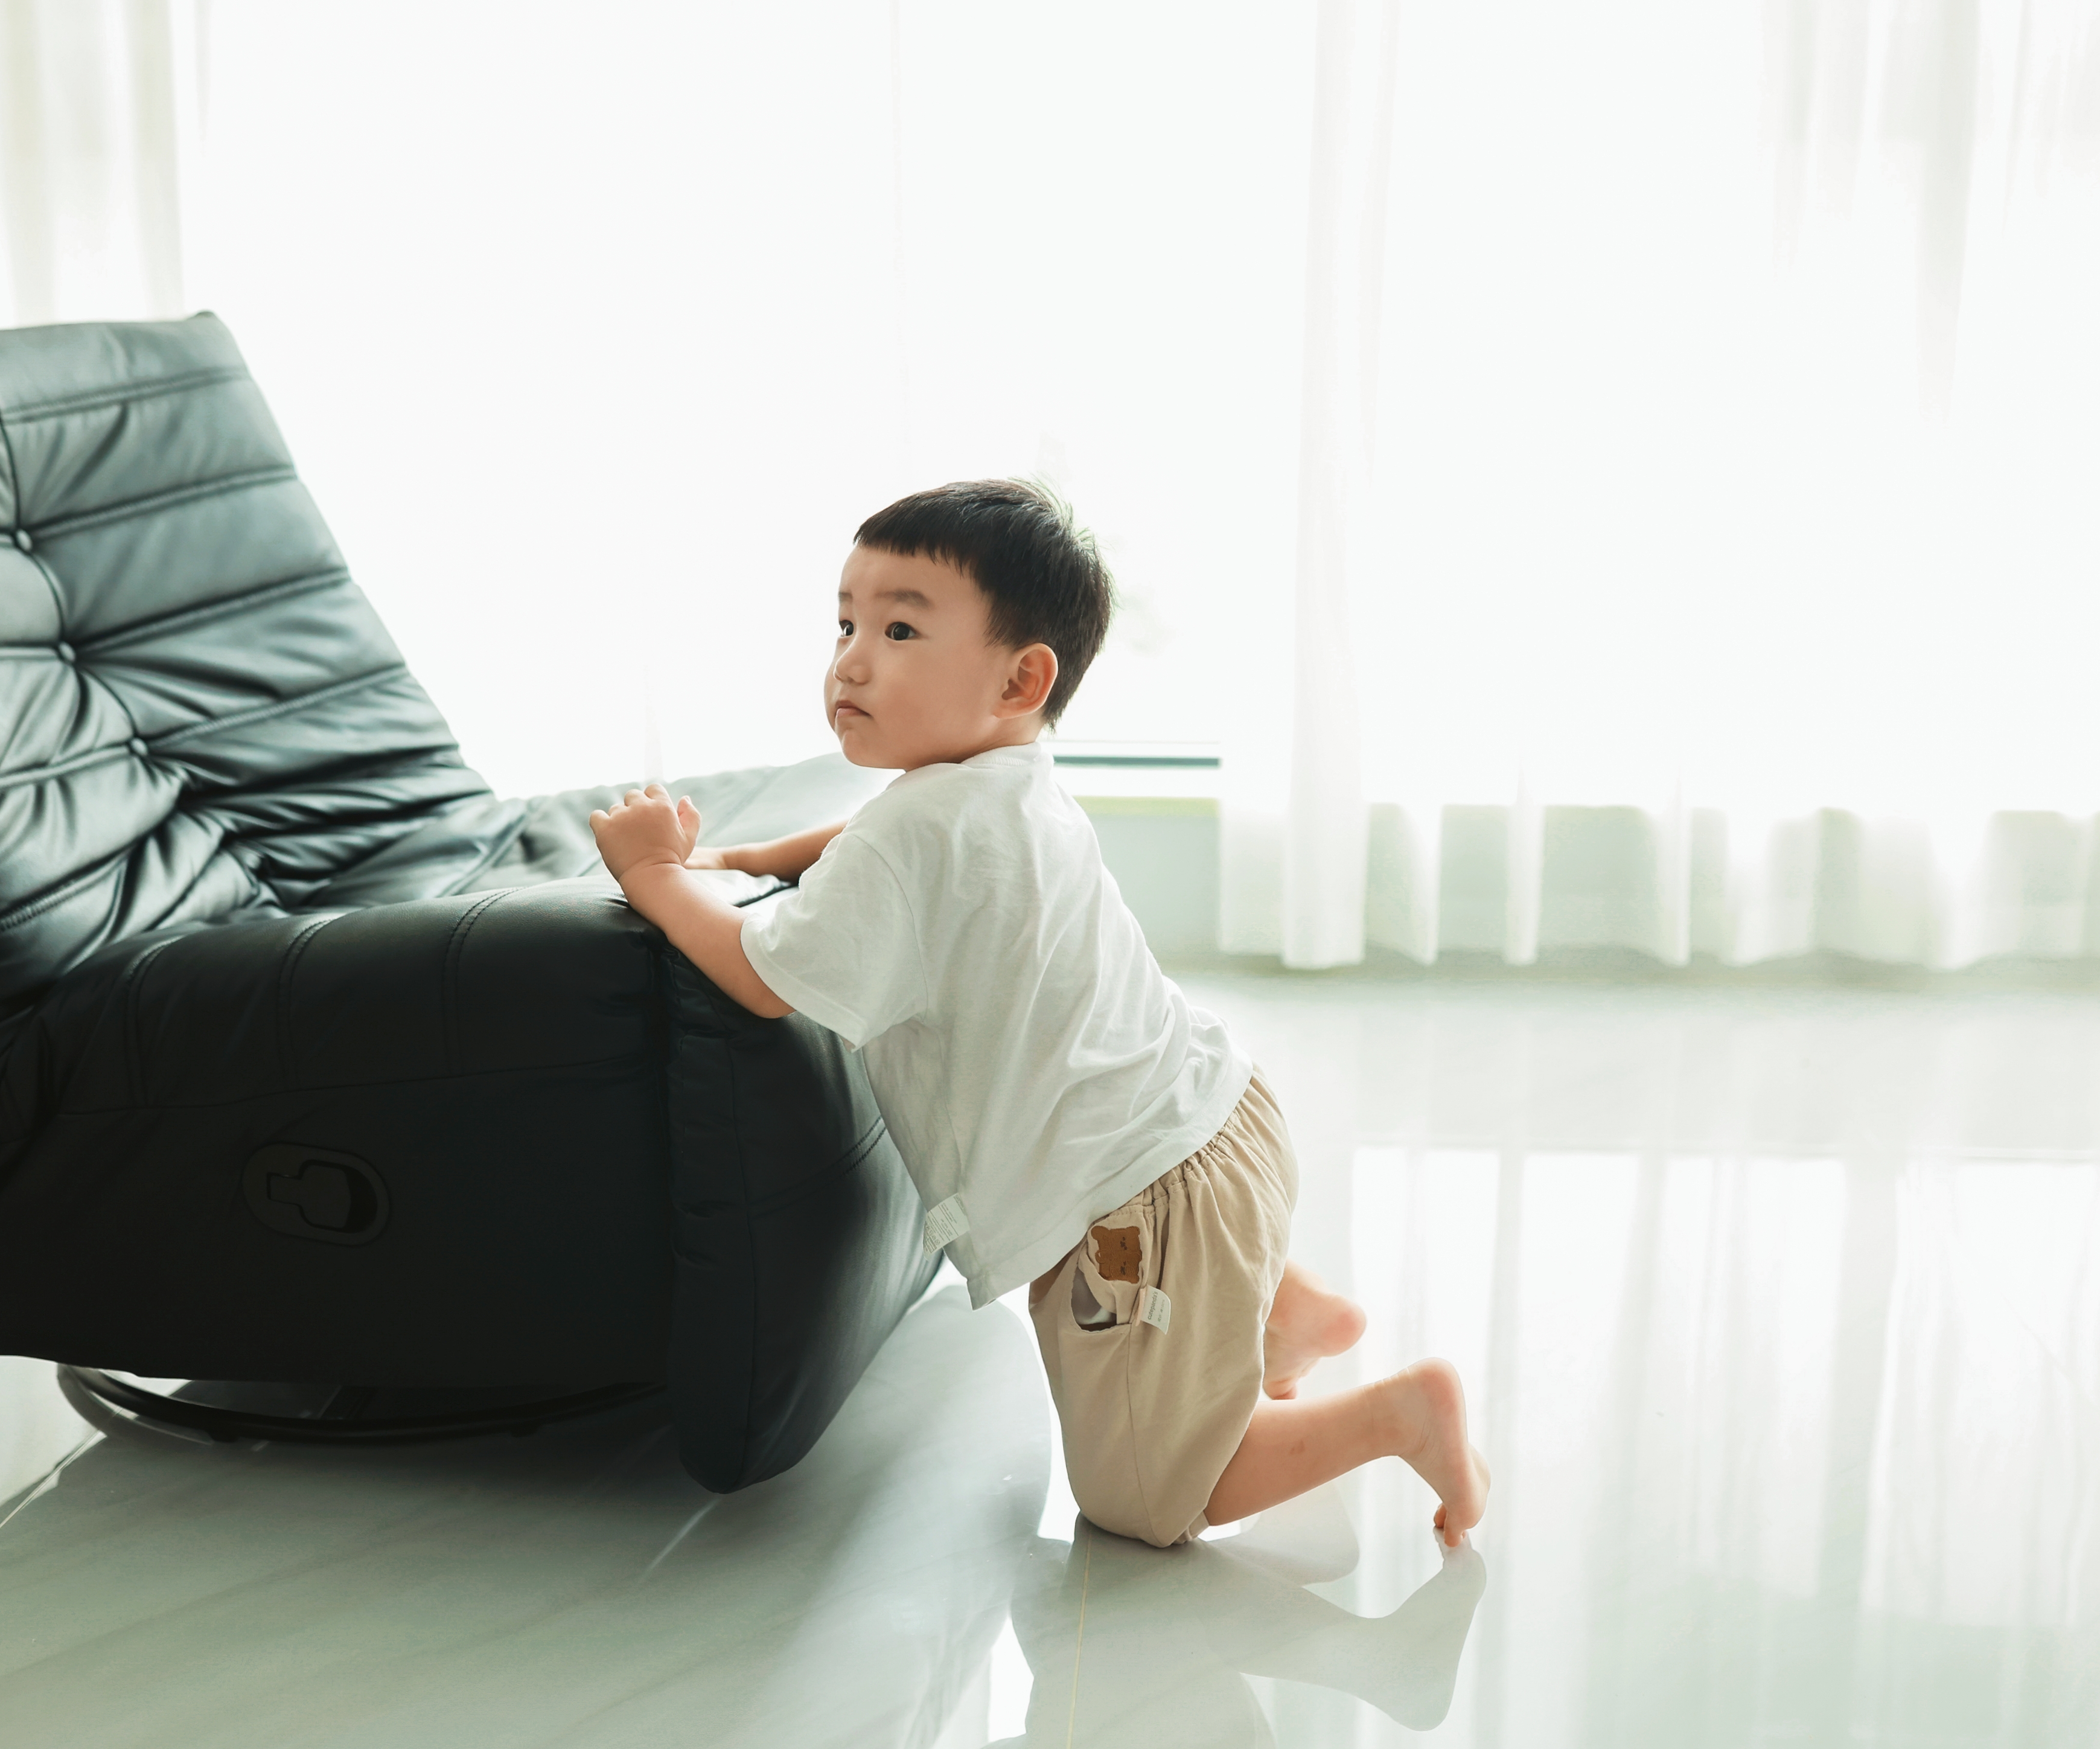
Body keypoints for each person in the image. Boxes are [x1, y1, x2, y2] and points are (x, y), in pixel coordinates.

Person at [589, 479, 1487, 1549]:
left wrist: (655, 874)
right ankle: (1285, 1315)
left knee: (1141, 1498)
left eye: (900, 629)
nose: (852, 661)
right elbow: (866, 840)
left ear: (1022, 677)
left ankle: (1398, 1414)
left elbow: (762, 973)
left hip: (1138, 1215)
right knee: (1189, 1319)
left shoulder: (916, 832)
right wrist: (746, 855)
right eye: (845, 624)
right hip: (1219, 1118)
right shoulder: (1008, 777)